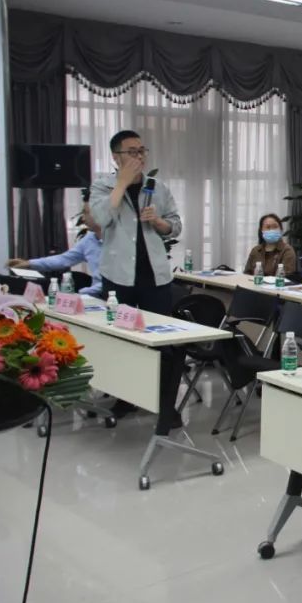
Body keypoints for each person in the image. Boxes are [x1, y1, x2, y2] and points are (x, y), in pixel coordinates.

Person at [90, 130, 183, 419]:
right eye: (132, 151)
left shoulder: (157, 187)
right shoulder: (103, 186)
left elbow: (176, 225)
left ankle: (165, 404)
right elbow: (100, 220)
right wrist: (121, 184)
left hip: (154, 276)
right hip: (118, 276)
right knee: (123, 339)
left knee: (163, 342)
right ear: (116, 156)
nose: (139, 156)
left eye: (142, 151)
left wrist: (159, 222)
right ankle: (126, 397)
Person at [9, 204, 104, 297]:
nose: (83, 218)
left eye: (85, 213)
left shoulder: (113, 243)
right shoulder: (89, 240)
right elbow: (63, 260)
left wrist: (83, 293)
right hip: (95, 296)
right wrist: (29, 263)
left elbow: (111, 282)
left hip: (107, 295)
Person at [243, 213, 297, 278]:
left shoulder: (287, 250)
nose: (272, 230)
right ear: (261, 231)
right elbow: (246, 274)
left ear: (281, 229)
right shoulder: (255, 250)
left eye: (275, 227)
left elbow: (286, 277)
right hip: (254, 283)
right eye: (268, 227)